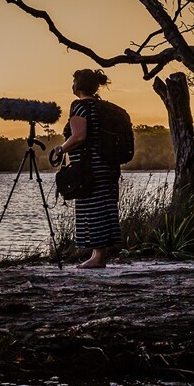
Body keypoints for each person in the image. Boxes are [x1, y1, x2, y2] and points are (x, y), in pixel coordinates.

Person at [53, 69, 121, 268]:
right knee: (104, 206)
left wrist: (60, 149)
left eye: (73, 81)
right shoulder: (102, 107)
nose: (72, 85)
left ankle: (97, 258)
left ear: (79, 85)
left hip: (90, 167)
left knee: (92, 208)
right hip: (107, 165)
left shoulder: (79, 106)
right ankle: (99, 256)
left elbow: (79, 136)